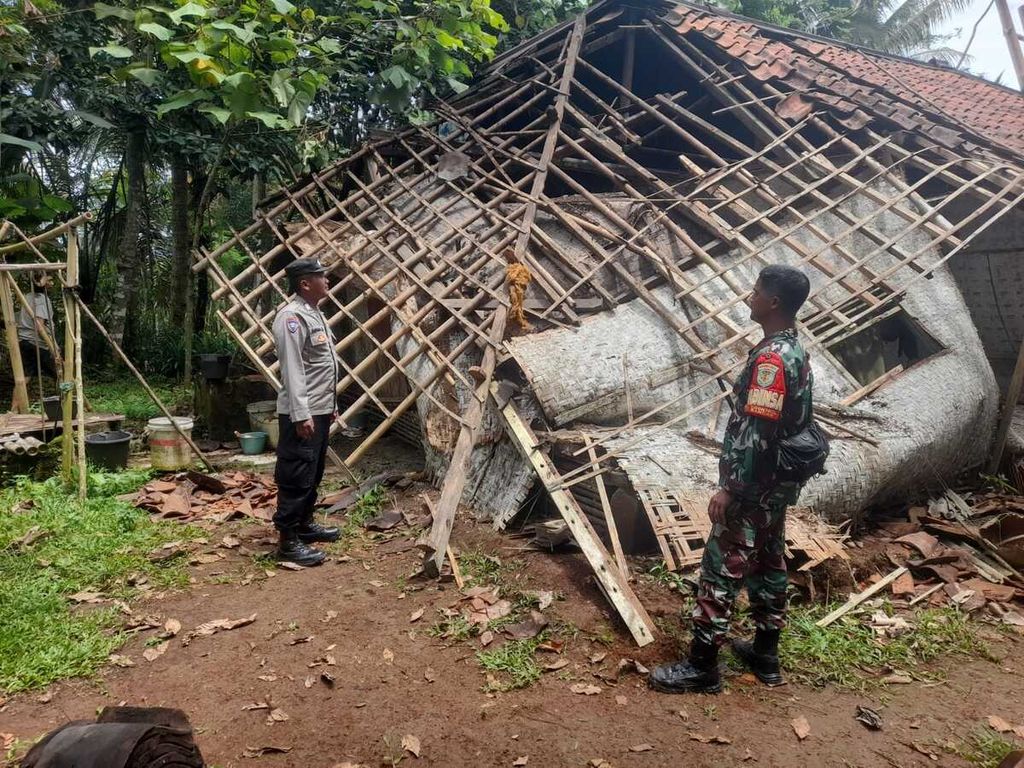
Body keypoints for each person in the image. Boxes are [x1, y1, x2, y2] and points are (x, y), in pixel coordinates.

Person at [649, 264, 814, 694]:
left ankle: (702, 667)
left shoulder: (772, 359)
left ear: (773, 302)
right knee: (768, 561)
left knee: (721, 569)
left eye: (755, 291)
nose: (749, 297)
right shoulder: (794, 350)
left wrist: (731, 488)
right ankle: (766, 653)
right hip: (776, 486)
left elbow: (757, 432)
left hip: (753, 487)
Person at [272, 257, 341, 566]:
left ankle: (304, 524)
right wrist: (301, 414)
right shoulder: (291, 317)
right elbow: (293, 369)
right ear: (304, 283)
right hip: (302, 413)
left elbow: (322, 368)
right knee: (296, 474)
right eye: (321, 276)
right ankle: (288, 542)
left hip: (320, 408)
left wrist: (331, 406)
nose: (326, 281)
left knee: (313, 472)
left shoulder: (314, 314)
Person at [17, 272, 60, 379]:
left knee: (24, 379)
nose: (52, 284)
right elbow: (40, 327)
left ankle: (18, 396)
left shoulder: (27, 297)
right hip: (38, 343)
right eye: (48, 280)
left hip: (25, 341)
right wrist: (53, 347)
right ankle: (64, 395)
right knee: (60, 373)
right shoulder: (42, 300)